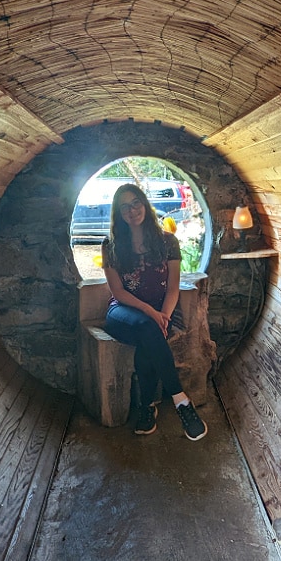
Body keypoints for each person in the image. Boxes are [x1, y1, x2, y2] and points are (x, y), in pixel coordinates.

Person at [101, 183, 208, 441]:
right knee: (148, 328)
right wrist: (151, 312)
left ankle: (146, 407)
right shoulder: (111, 245)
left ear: (145, 205)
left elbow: (173, 288)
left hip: (161, 313)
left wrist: (164, 316)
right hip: (123, 313)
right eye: (124, 206)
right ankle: (181, 399)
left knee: (148, 337)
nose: (132, 210)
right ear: (118, 213)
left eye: (136, 202)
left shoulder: (167, 243)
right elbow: (118, 291)